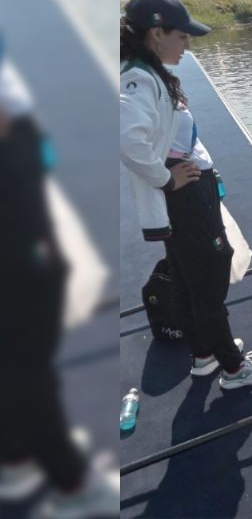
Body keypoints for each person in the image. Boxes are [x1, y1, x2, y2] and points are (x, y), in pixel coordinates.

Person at [121, 0, 252, 389]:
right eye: (182, 36)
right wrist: (165, 177)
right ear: (157, 32)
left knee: (188, 276)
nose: (188, 44)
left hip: (187, 193)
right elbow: (125, 138)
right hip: (185, 197)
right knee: (209, 279)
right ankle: (233, 368)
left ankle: (204, 355)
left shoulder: (148, 69)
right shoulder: (138, 78)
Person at [0, 41, 118, 517]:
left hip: (25, 240)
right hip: (18, 254)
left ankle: (16, 456)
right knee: (26, 370)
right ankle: (72, 486)